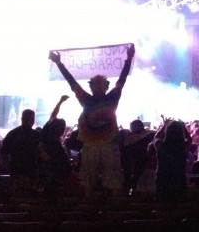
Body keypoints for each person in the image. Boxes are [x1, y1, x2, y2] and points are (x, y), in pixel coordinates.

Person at [48, 43, 135, 197]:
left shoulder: (93, 99)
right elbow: (72, 83)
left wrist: (129, 59)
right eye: (98, 85)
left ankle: (100, 214)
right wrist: (129, 59)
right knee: (104, 182)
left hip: (98, 144)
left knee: (98, 181)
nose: (99, 88)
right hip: (101, 144)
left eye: (99, 85)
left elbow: (72, 82)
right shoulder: (105, 99)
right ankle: (104, 214)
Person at [0, 108, 41, 197]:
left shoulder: (12, 134)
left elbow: (3, 152)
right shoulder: (37, 136)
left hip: (16, 168)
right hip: (32, 169)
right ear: (33, 120)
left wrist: (9, 166)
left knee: (16, 194)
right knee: (31, 195)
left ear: (21, 119)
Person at [38, 95, 71, 201]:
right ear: (61, 131)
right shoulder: (57, 146)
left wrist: (60, 101)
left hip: (45, 175)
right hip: (54, 178)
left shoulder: (46, 132)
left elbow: (53, 115)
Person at [152, 118, 191, 204]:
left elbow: (156, 138)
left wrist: (164, 125)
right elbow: (189, 139)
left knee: (162, 203)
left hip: (163, 178)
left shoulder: (161, 146)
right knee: (179, 203)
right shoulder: (183, 147)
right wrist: (183, 127)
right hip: (179, 179)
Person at [121, 119, 154, 196]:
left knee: (135, 180)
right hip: (138, 161)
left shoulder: (148, 134)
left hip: (140, 160)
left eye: (132, 126)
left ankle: (131, 195)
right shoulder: (147, 134)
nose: (131, 128)